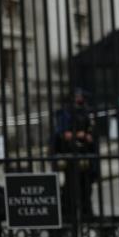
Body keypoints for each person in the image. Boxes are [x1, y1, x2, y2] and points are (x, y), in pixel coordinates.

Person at [51, 89, 98, 219]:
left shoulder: (86, 112)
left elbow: (92, 130)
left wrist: (89, 136)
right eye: (78, 96)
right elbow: (63, 134)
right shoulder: (65, 113)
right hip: (70, 153)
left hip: (85, 153)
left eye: (81, 97)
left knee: (86, 186)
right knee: (71, 186)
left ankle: (86, 213)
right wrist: (79, 134)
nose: (80, 99)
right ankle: (68, 214)